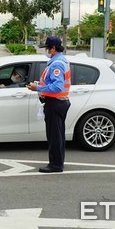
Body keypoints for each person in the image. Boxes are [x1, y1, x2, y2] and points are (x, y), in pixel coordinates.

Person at [27, 36, 71, 173]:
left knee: (54, 136)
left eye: (47, 48)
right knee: (58, 135)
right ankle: (58, 161)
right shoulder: (61, 61)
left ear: (53, 49)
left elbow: (57, 87)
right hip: (59, 102)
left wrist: (38, 88)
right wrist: (40, 84)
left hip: (55, 103)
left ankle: (56, 165)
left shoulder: (57, 64)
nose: (46, 50)